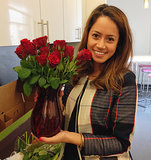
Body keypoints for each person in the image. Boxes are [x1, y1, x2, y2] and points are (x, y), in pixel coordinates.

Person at [38, 4, 137, 160]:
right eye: (96, 35)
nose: (100, 45)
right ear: (87, 35)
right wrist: (53, 102)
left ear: (119, 43)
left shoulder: (125, 80)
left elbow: (121, 143)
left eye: (110, 39)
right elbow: (68, 117)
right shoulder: (76, 71)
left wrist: (68, 137)